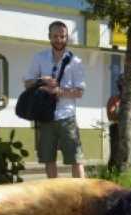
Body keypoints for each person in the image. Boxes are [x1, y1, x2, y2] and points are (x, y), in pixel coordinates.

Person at [24, 20, 86, 178]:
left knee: (76, 160)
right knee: (48, 159)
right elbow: (28, 83)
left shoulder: (75, 61)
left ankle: (82, 197)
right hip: (45, 116)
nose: (59, 39)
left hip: (67, 116)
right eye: (55, 36)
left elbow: (79, 92)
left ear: (67, 38)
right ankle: (56, 199)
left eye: (62, 36)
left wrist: (59, 91)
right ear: (49, 37)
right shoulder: (39, 58)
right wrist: (42, 82)